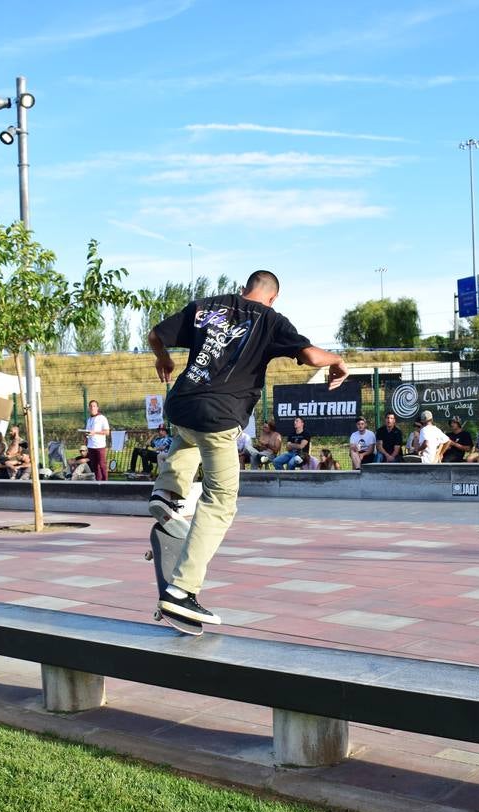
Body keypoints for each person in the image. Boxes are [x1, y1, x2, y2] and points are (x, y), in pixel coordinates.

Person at [146, 269, 347, 627]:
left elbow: (154, 335)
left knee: (189, 432)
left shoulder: (207, 306)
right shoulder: (271, 319)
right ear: (272, 297)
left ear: (243, 289)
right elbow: (314, 357)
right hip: (222, 415)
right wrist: (338, 361)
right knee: (220, 501)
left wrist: (163, 358)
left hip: (181, 403)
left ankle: (167, 491)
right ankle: (181, 592)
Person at [83, 400, 111, 481]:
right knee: (95, 466)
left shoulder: (102, 418)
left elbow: (107, 432)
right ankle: (98, 482)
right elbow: (89, 432)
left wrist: (95, 432)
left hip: (100, 446)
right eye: (91, 406)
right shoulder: (89, 420)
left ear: (97, 408)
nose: (92, 408)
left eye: (94, 406)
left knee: (102, 465)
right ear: (89, 408)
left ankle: (105, 482)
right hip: (91, 446)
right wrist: (86, 435)